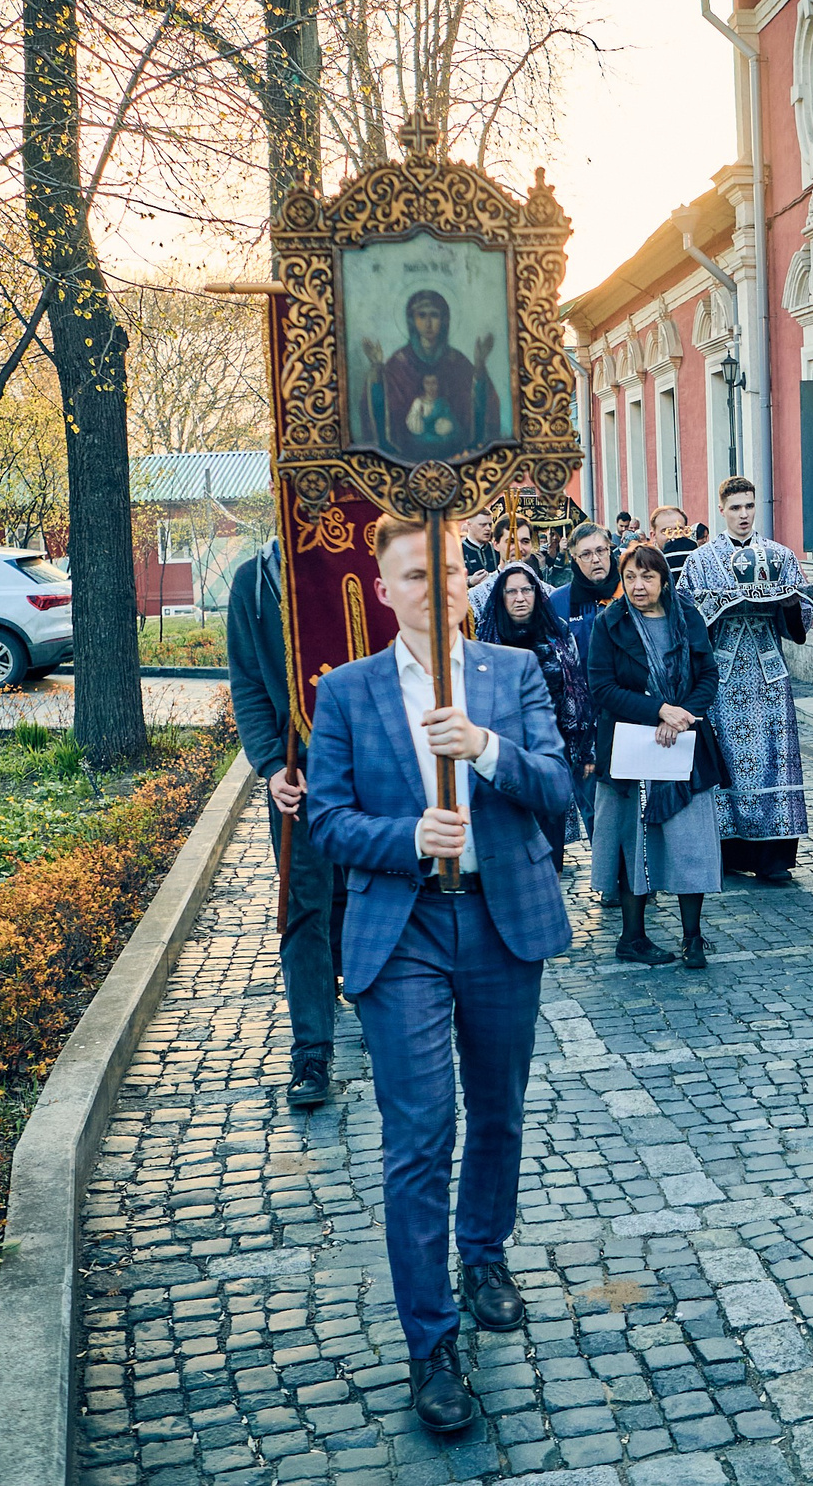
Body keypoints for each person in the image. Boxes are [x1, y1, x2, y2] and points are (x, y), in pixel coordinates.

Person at [302, 516, 575, 1436]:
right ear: (386, 590)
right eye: (416, 574)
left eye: (451, 569)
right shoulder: (345, 691)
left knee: (497, 1108)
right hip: (403, 929)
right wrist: (410, 838)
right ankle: (432, 1344)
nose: (438, 586)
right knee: (421, 1133)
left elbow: (558, 786)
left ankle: (484, 1253)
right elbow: (327, 824)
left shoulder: (513, 673)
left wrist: (486, 752)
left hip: (503, 918)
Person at [225, 537, 343, 1109]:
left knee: (367, 892)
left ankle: (370, 993)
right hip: (298, 774)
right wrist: (271, 765)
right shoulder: (254, 582)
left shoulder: (359, 563)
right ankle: (311, 1054)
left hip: (368, 768)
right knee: (303, 906)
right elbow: (247, 683)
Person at [586, 545, 728, 967]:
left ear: (663, 579)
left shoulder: (687, 618)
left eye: (647, 577)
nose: (638, 585)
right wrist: (656, 711)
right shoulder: (609, 624)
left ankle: (693, 937)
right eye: (630, 577)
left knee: (690, 840)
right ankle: (632, 937)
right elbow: (602, 687)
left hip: (683, 745)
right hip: (630, 749)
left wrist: (681, 715)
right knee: (634, 841)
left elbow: (708, 676)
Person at [680, 477, 812, 884]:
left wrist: (791, 601)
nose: (743, 515)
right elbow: (684, 616)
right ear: (721, 510)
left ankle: (772, 856)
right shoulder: (700, 560)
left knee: (774, 760)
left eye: (749, 507)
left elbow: (800, 624)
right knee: (727, 762)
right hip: (722, 679)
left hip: (769, 676)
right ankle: (726, 847)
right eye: (735, 508)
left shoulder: (780, 555)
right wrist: (715, 608)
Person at [477, 561, 596, 867]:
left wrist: (583, 751)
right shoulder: (487, 640)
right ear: (501, 597)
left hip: (550, 751)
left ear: (537, 592)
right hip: (503, 753)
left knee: (549, 842)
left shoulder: (557, 633)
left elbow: (577, 691)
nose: (520, 598)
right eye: (511, 591)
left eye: (526, 590)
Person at [365, 289, 503, 459]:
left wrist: (480, 367)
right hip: (406, 459)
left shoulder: (457, 361)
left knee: (522, 488)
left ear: (444, 320)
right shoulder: (399, 363)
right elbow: (381, 409)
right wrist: (376, 369)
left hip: (457, 458)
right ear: (412, 320)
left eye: (434, 315)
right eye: (422, 316)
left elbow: (480, 406)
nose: (428, 323)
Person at [553, 523, 623, 645]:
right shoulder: (557, 601)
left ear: (609, 551)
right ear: (575, 559)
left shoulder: (629, 593)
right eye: (586, 554)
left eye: (600, 551)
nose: (595, 559)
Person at [651, 505, 699, 581]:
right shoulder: (648, 565)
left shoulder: (698, 559)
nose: (675, 536)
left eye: (680, 529)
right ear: (653, 536)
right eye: (666, 531)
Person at [461, 511, 500, 582]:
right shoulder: (459, 550)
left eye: (490, 525)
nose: (488, 528)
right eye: (483, 525)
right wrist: (469, 582)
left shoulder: (497, 548)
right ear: (469, 525)